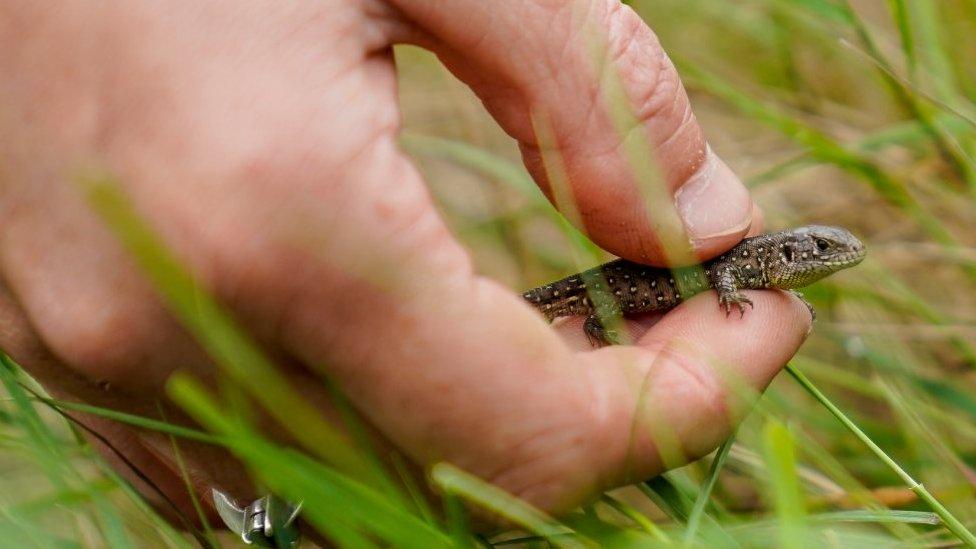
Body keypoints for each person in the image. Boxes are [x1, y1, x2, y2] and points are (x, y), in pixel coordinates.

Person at [0, 0, 811, 526]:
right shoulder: (742, 267)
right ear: (785, 254)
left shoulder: (746, 266)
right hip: (603, 289)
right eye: (817, 249)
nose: (826, 259)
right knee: (584, 306)